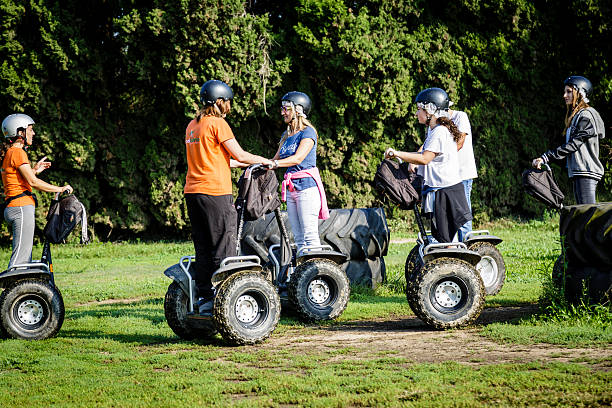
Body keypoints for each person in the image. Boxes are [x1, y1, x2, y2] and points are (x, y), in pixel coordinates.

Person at [184, 80, 272, 316]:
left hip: (193, 193)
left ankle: (204, 296)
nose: (229, 106)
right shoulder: (218, 124)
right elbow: (240, 153)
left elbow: (225, 160)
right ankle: (224, 297)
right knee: (224, 244)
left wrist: (251, 162)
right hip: (215, 192)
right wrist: (265, 160)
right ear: (220, 102)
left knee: (203, 247)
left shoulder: (193, 126)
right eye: (228, 101)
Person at [385, 88, 471, 243]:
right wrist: (405, 158)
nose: (416, 114)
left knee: (446, 242)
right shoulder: (434, 130)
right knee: (443, 239)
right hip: (441, 190)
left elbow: (425, 158)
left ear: (430, 110)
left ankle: (453, 266)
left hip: (446, 192)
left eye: (419, 109)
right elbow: (423, 156)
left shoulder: (439, 132)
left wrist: (397, 154)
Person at [1, 113, 73, 268]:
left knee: (24, 256)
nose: (33, 133)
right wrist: (60, 188)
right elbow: (33, 182)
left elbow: (22, 179)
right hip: (20, 207)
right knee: (20, 259)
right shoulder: (17, 152)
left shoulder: (11, 153)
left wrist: (34, 170)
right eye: (30, 129)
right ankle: (12, 291)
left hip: (16, 206)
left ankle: (21, 290)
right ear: (20, 132)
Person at [269, 91, 329, 251]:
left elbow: (297, 158)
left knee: (310, 235)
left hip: (307, 188)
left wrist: (274, 164)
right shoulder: (286, 135)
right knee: (298, 237)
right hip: (291, 189)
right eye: (282, 108)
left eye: (286, 108)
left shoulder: (308, 133)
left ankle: (316, 275)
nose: (282, 112)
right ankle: (302, 275)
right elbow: (274, 159)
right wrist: (250, 163)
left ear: (298, 110)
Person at [532, 75, 605, 204]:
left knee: (586, 216)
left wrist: (546, 157)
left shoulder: (586, 115)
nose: (564, 95)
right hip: (579, 173)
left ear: (581, 93)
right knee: (583, 216)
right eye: (564, 92)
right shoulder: (577, 116)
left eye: (569, 92)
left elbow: (573, 145)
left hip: (586, 173)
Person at [448, 103, 477, 241]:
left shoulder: (460, 116)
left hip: (462, 173)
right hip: (448, 175)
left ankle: (468, 246)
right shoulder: (438, 123)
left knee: (463, 214)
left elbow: (460, 142)